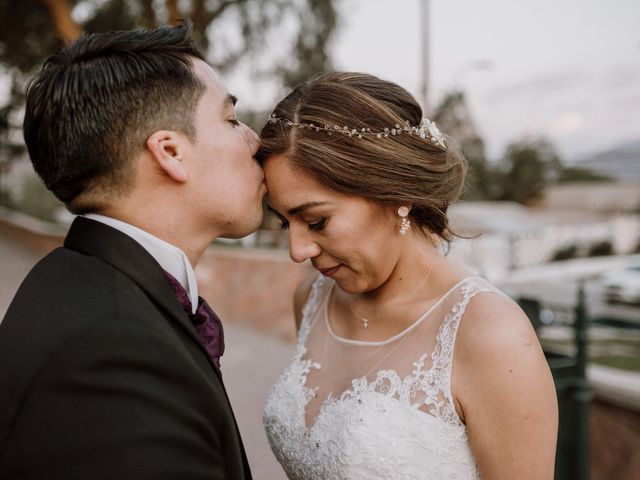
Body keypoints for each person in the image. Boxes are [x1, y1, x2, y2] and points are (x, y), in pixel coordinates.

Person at [258, 72, 558, 479]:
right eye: (283, 223)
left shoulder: (490, 334)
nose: (298, 251)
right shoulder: (311, 298)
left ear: (396, 194)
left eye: (317, 221)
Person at [0, 22, 264, 479]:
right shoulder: (112, 352)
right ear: (170, 152)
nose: (255, 141)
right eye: (231, 120)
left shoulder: (76, 282)